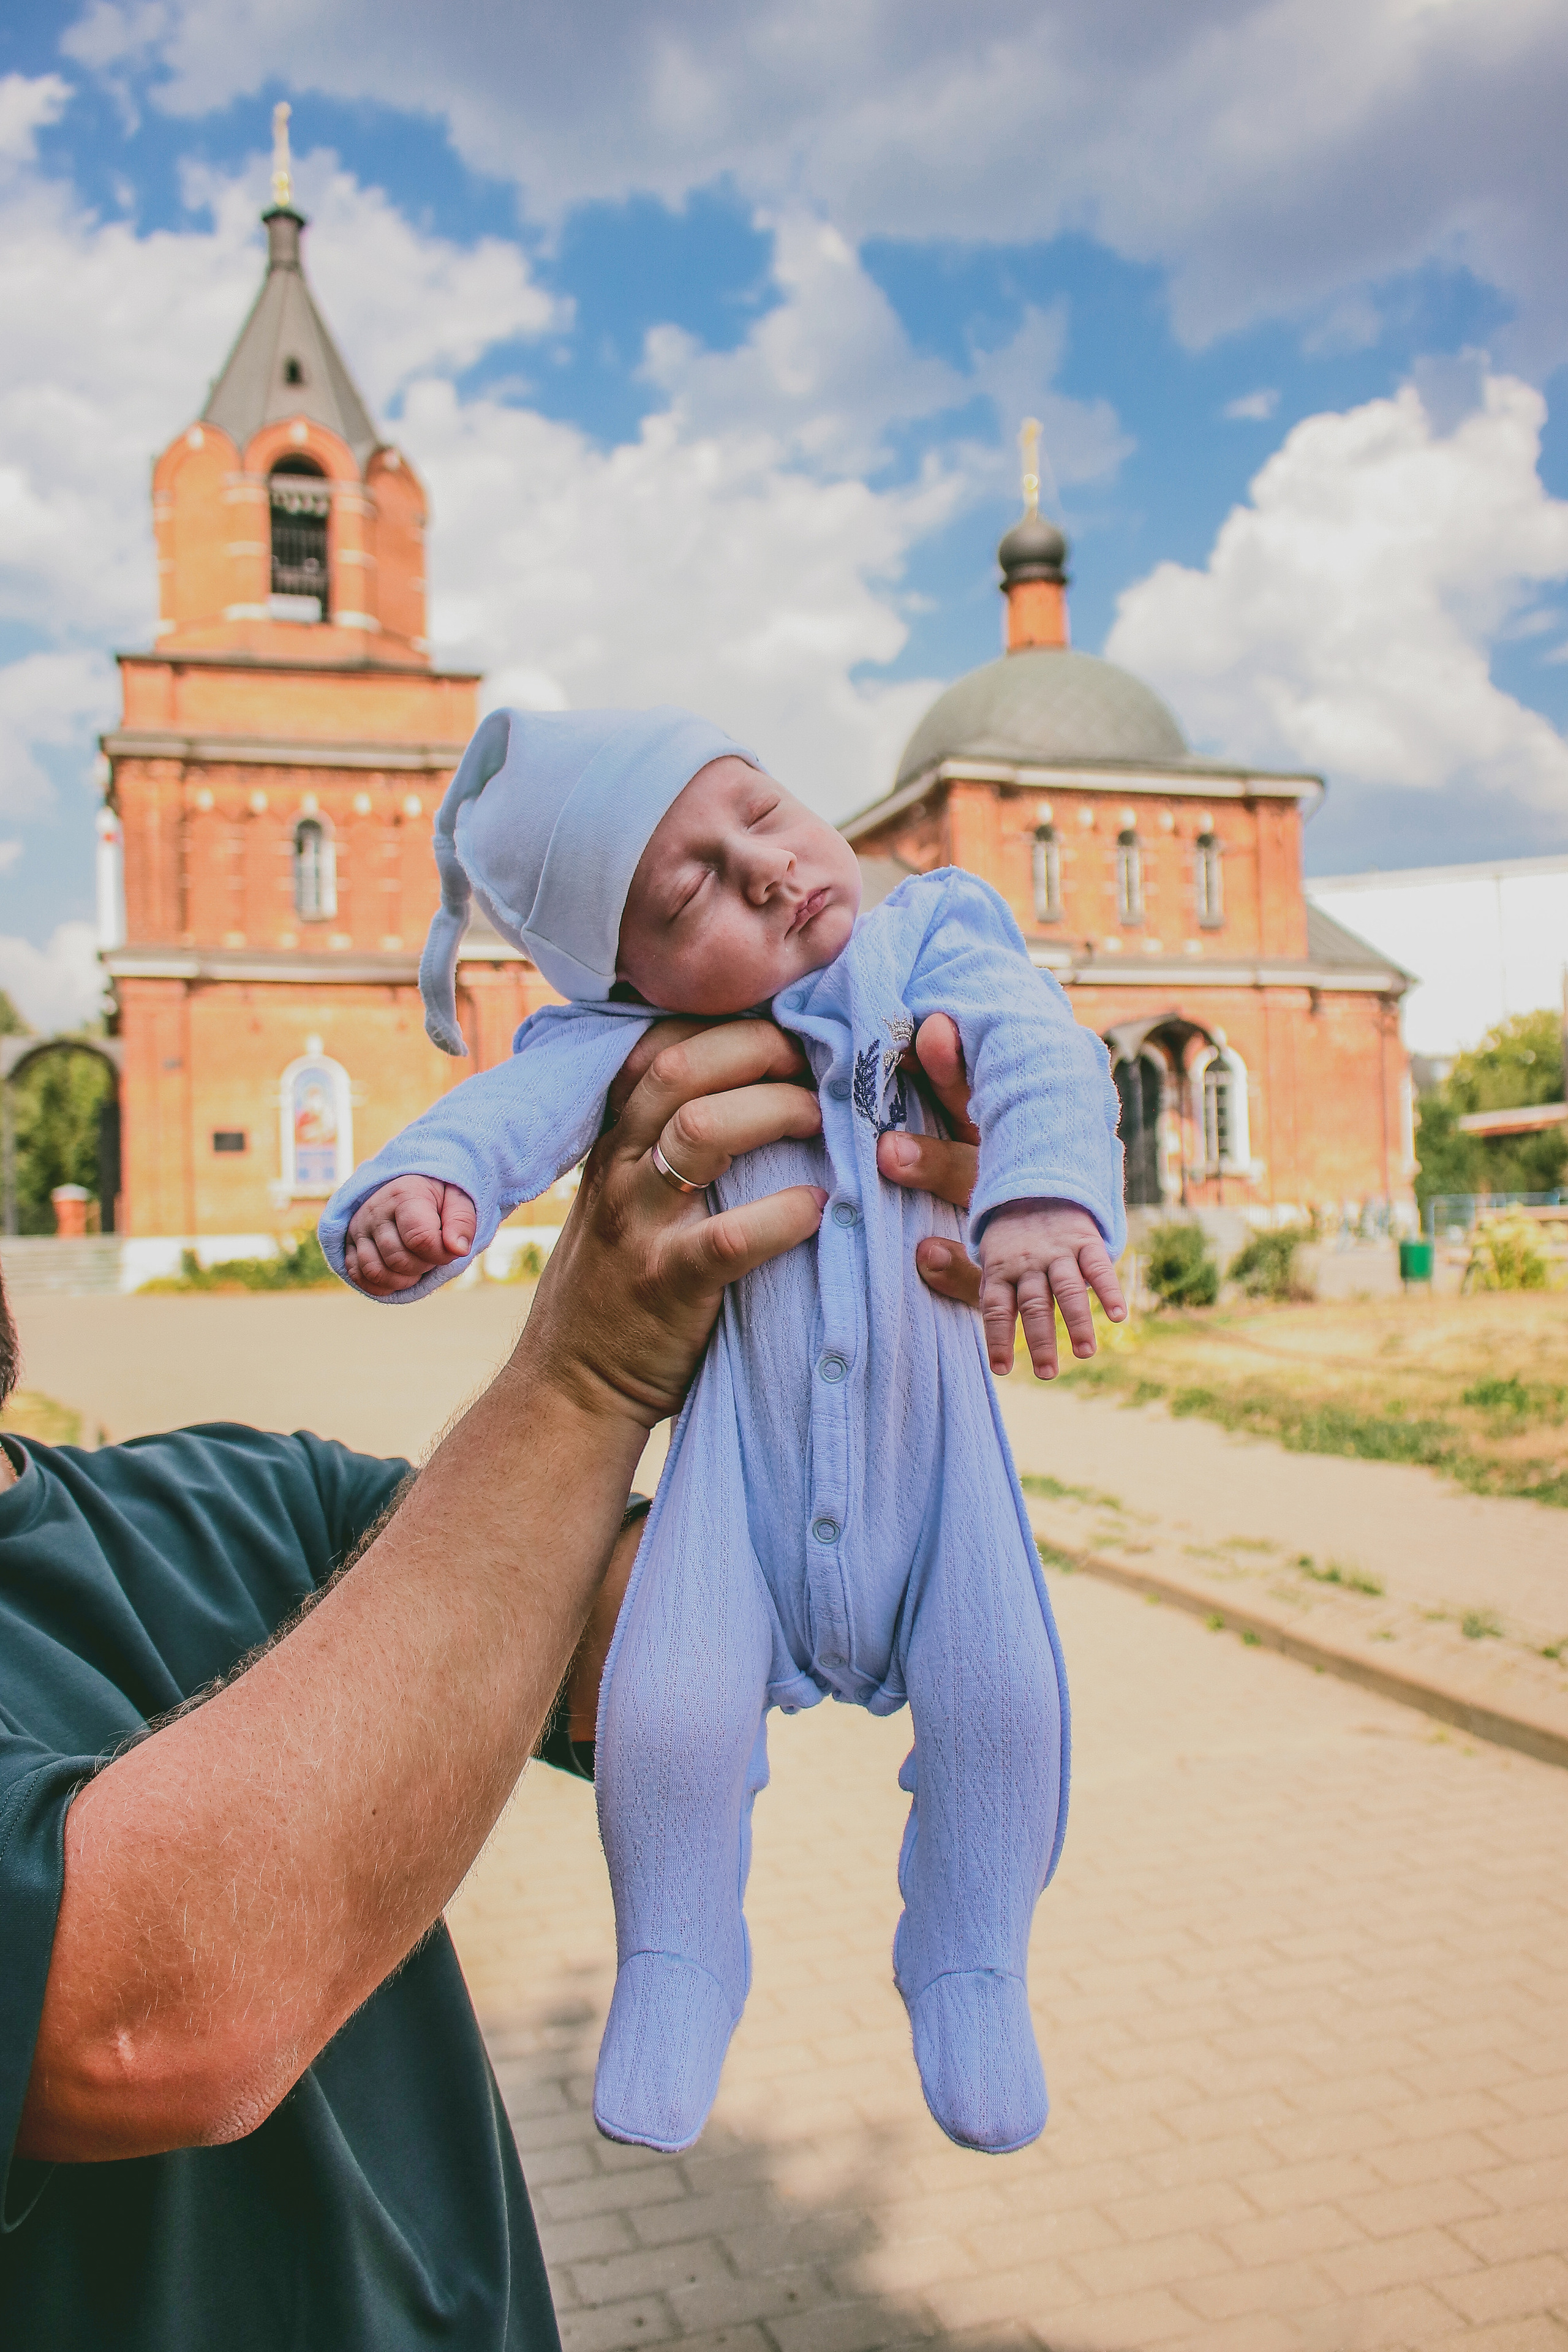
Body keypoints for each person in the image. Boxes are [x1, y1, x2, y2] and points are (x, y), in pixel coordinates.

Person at [0, 1015, 983, 2352]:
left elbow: (688, 1636)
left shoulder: (239, 1500)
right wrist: (585, 1376)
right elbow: (145, 2024)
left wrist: (858, 1327)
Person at [322, 706, 1126, 2157]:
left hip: (938, 1468)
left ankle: (969, 1961)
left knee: (1008, 1708)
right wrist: (428, 1185)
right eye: (687, 890)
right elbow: (509, 1107)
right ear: (626, 971)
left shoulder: (929, 935)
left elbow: (1040, 1054)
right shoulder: (631, 1042)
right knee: (664, 1716)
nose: (762, 874)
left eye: (758, 812)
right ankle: (678, 1963)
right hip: (733, 1478)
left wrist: (1043, 1201)